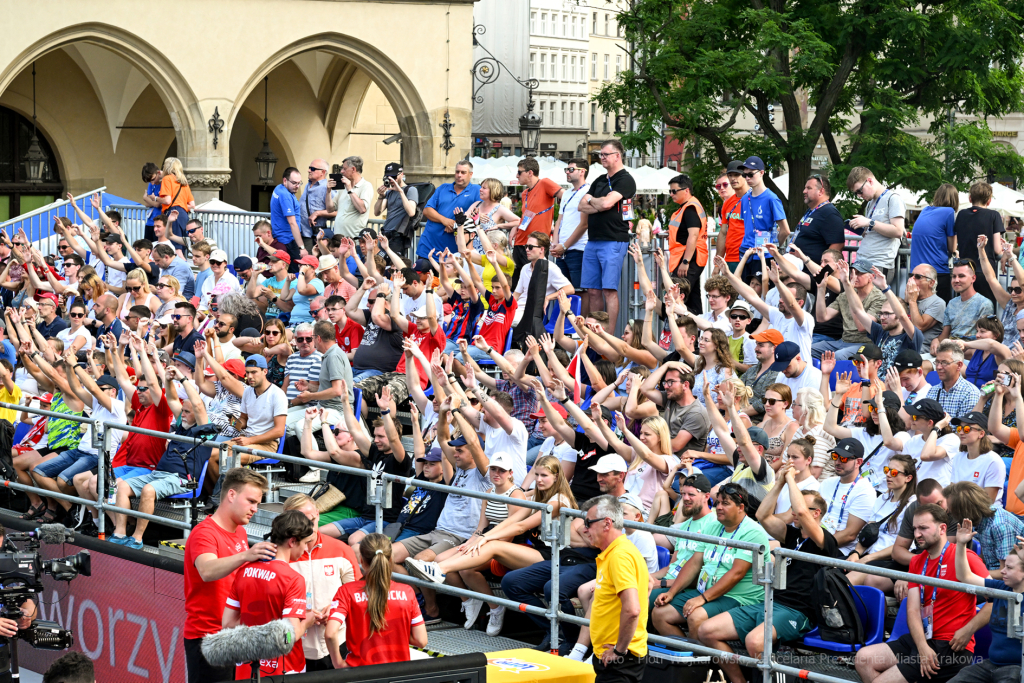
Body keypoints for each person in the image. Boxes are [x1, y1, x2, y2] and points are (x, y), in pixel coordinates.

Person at [702, 467, 839, 683]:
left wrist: (792, 478)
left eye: (800, 506)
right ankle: (740, 681)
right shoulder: (792, 535)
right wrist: (780, 483)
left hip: (798, 611)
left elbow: (802, 512)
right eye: (793, 506)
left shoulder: (826, 541)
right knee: (707, 630)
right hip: (770, 602)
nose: (795, 510)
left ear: (816, 513)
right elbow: (762, 515)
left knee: (755, 642)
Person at [854, 504, 986, 683]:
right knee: (863, 659)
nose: (916, 535)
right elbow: (913, 611)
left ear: (942, 528)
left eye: (923, 528)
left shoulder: (966, 557)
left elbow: (998, 601)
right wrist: (922, 646)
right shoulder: (917, 561)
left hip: (950, 646)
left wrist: (968, 630)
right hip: (923, 639)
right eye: (915, 528)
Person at [183, 468, 274, 682]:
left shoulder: (239, 531)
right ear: (231, 495)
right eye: (251, 501)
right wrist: (246, 555)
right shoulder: (204, 533)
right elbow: (207, 570)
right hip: (208, 637)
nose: (255, 509)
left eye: (258, 503)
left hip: (235, 635)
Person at [651, 484, 769, 641]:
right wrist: (671, 593)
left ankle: (699, 661)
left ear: (741, 507)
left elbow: (737, 573)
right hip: (708, 590)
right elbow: (694, 563)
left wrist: (702, 599)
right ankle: (687, 658)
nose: (719, 507)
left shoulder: (752, 531)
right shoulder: (713, 526)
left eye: (725, 503)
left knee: (695, 615)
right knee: (660, 614)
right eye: (717, 503)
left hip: (738, 597)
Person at [223, 510, 317, 678]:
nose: (305, 548)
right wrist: (306, 624)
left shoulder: (244, 570)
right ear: (292, 541)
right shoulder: (293, 579)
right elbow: (289, 636)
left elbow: (228, 624)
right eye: (305, 542)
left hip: (247, 667)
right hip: (284, 669)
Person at [283, 493, 361, 672]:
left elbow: (357, 595)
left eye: (310, 520)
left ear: (318, 514)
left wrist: (336, 608)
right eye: (298, 523)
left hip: (337, 643)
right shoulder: (278, 555)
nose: (307, 528)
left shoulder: (341, 550)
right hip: (293, 648)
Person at [326, 533, 428, 667]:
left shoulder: (347, 591)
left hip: (359, 672)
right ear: (390, 560)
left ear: (361, 560)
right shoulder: (407, 592)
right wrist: (394, 632)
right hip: (398, 672)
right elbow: (421, 641)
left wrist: (338, 663)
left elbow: (330, 633)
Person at [582, 495, 649, 683]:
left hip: (620, 659)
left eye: (588, 523)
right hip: (616, 658)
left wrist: (619, 650)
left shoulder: (619, 555)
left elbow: (632, 609)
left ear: (607, 523)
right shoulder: (619, 551)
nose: (584, 529)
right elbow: (649, 584)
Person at [949, 517, 1024, 683]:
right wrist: (961, 545)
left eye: (1009, 568)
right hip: (990, 665)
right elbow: (964, 576)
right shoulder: (1000, 588)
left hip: (1017, 668)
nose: (1002, 571)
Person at [579, 140, 636, 332]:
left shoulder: (625, 179)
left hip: (613, 240)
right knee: (593, 291)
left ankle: (609, 335)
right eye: (600, 155)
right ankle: (595, 332)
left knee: (609, 290)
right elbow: (582, 205)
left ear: (617, 156)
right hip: (593, 240)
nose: (601, 158)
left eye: (605, 154)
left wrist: (594, 201)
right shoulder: (599, 180)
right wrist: (599, 202)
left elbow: (604, 204)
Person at [812, 257, 886, 359]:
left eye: (859, 273)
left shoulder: (879, 298)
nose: (854, 276)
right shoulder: (844, 295)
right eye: (852, 272)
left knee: (838, 356)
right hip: (843, 342)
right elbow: (822, 317)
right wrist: (821, 288)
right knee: (809, 349)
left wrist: (848, 287)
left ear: (871, 277)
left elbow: (861, 327)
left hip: (865, 344)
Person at [946, 481, 1024, 577]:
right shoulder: (977, 517)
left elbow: (1005, 572)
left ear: (963, 510)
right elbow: (984, 556)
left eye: (952, 510)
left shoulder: (999, 526)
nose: (949, 512)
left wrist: (971, 574)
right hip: (989, 571)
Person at [815, 438, 877, 554]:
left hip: (837, 550)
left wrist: (814, 544)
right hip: (816, 538)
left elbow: (850, 535)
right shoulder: (828, 483)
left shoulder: (865, 491)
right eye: (835, 456)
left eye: (843, 458)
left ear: (858, 462)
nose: (837, 462)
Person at [845, 167, 907, 284]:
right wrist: (861, 228)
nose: (859, 195)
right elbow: (873, 231)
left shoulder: (893, 199)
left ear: (869, 181)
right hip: (861, 261)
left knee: (872, 302)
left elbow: (898, 231)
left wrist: (870, 223)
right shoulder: (870, 203)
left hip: (879, 263)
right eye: (856, 193)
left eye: (859, 191)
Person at [640, 363, 710, 460]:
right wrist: (667, 365)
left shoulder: (696, 412)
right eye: (665, 382)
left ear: (685, 385)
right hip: (663, 456)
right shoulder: (671, 398)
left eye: (670, 382)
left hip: (681, 463)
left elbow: (675, 446)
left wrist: (651, 440)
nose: (666, 386)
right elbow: (645, 389)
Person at [511, 157, 563, 283]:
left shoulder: (544, 183)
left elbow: (566, 197)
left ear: (530, 173)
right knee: (519, 284)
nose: (517, 175)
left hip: (535, 244)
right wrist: (515, 227)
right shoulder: (525, 193)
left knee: (534, 284)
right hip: (520, 242)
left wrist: (559, 223)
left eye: (519, 172)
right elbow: (526, 216)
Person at [954, 182, 1006, 305]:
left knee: (964, 308)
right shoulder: (994, 215)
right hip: (986, 271)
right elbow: (998, 250)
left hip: (964, 270)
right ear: (989, 201)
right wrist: (1005, 254)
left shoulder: (961, 214)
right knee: (986, 312)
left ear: (970, 198)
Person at [419, 160, 481, 258]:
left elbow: (479, 213)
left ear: (470, 174)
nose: (459, 175)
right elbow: (427, 210)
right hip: (428, 247)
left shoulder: (477, 190)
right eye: (457, 172)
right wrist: (445, 221)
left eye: (463, 172)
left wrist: (456, 225)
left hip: (453, 252)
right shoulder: (443, 188)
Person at [666, 174, 709, 315]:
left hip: (689, 258)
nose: (671, 194)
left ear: (686, 190)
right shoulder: (687, 207)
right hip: (691, 257)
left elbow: (694, 235)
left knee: (677, 295)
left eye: (674, 191)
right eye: (670, 191)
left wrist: (685, 261)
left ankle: (679, 331)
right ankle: (697, 331)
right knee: (692, 299)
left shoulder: (690, 208)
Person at [932, 259, 995, 354]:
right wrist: (936, 340)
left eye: (961, 276)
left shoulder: (984, 303)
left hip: (970, 353)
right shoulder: (952, 303)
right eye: (954, 276)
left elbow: (984, 340)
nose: (956, 280)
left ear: (973, 278)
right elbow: (945, 334)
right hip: (950, 349)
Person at [909, 184, 958, 302]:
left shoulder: (925, 210)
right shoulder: (949, 212)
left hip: (915, 272)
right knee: (941, 314)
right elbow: (952, 247)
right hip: (936, 272)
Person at [551, 158, 590, 293]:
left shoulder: (588, 191)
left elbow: (584, 224)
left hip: (578, 249)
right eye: (566, 169)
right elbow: (559, 220)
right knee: (563, 291)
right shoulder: (567, 193)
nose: (567, 172)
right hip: (562, 250)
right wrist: (555, 243)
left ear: (582, 172)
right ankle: (566, 315)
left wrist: (565, 245)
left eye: (571, 169)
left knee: (580, 291)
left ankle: (581, 315)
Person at [950, 412, 1006, 504]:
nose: (961, 432)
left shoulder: (993, 461)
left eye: (967, 429)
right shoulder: (958, 457)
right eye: (959, 428)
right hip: (960, 509)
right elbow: (952, 491)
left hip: (986, 513)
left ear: (981, 434)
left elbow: (988, 501)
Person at [927, 341, 982, 419]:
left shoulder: (970, 393)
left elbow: (964, 428)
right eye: (937, 362)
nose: (938, 367)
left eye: (944, 362)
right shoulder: (932, 391)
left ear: (959, 365)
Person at [374, 162, 419, 258]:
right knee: (380, 263)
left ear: (401, 174)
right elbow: (377, 212)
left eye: (394, 177)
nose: (391, 180)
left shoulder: (410, 190)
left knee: (393, 265)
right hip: (385, 233)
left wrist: (400, 192)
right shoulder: (390, 191)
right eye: (388, 177)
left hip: (398, 235)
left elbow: (411, 212)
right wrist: (381, 196)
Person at [905, 264, 948, 355]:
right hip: (903, 347)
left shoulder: (938, 302)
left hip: (921, 351)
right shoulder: (910, 299)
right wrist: (905, 302)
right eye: (911, 276)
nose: (911, 279)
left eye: (917, 277)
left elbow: (919, 327)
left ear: (931, 283)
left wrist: (912, 301)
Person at [271, 167, 307, 268]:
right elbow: (292, 223)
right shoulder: (285, 196)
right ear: (285, 180)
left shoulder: (279, 188)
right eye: (294, 183)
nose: (297, 186)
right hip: (288, 241)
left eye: (299, 183)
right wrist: (302, 247)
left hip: (282, 238)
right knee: (296, 273)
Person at [298, 159, 335, 251]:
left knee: (311, 263)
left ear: (323, 172)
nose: (309, 170)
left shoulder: (327, 188)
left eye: (313, 168)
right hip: (301, 232)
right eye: (309, 168)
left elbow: (338, 212)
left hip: (314, 235)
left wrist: (318, 213)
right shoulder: (308, 185)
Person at [333, 156, 375, 238]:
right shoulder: (343, 187)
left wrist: (349, 189)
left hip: (354, 240)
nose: (341, 171)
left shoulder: (366, 186)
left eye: (344, 169)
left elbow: (362, 209)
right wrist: (328, 191)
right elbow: (330, 208)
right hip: (338, 239)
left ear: (353, 169)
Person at [159, 157, 195, 241]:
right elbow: (192, 205)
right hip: (183, 214)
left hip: (173, 213)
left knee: (175, 246)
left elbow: (167, 200)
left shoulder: (167, 179)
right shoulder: (183, 182)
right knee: (183, 243)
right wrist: (181, 204)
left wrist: (156, 198)